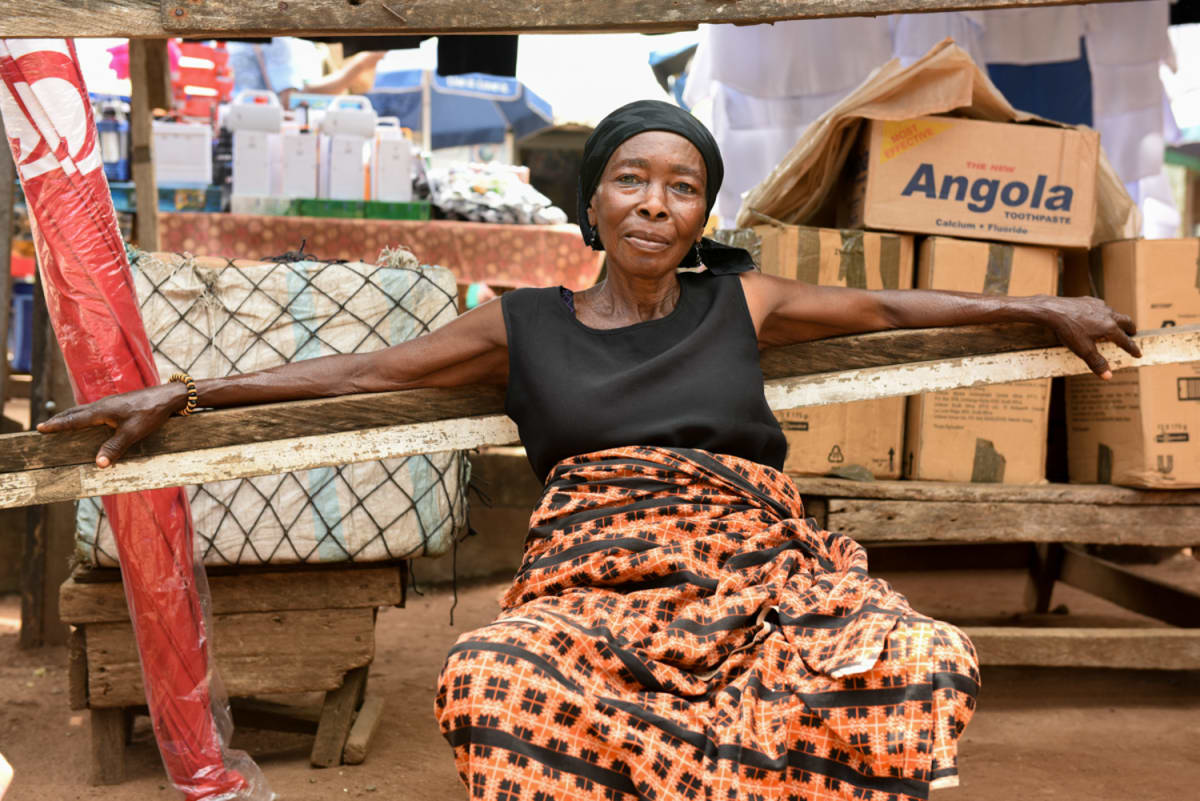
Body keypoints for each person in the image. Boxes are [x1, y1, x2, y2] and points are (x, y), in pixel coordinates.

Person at [40, 100, 1139, 800]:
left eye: (683, 187)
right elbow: (359, 372)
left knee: (918, 659)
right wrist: (191, 391)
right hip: (594, 591)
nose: (656, 204)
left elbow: (889, 309)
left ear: (703, 214)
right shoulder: (523, 326)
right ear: (593, 199)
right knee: (491, 679)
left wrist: (1052, 314)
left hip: (761, 579)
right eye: (633, 179)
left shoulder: (744, 305)